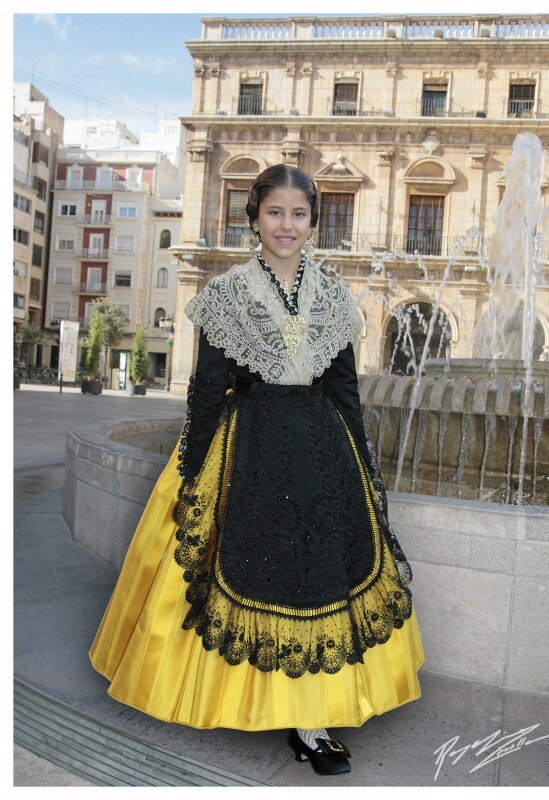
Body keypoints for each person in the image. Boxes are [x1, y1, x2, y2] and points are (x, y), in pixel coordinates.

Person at [89, 164, 425, 777]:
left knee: (321, 580)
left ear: (314, 223)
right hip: (250, 451)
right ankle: (245, 698)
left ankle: (312, 722)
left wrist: (365, 474)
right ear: (254, 218)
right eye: (275, 212)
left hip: (323, 455)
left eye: (299, 214)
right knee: (247, 573)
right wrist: (196, 474)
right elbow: (208, 389)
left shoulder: (335, 300)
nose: (287, 225)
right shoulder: (226, 295)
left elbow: (346, 393)